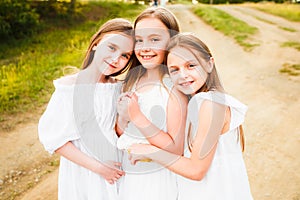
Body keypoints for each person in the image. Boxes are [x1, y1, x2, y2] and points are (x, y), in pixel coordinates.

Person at [128, 33, 253, 200]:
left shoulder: (211, 104)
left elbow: (196, 170)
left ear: (209, 64)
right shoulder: (197, 102)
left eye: (191, 65)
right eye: (175, 70)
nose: (183, 75)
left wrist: (150, 151)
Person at [38, 18, 135, 200]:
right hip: (85, 171)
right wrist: (99, 168)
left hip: (117, 167)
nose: (116, 59)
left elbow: (117, 131)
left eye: (125, 55)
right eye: (112, 47)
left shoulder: (118, 88)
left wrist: (124, 117)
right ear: (97, 43)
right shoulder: (70, 88)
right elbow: (55, 140)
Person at [115, 7, 188, 200]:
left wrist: (137, 117)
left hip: (157, 179)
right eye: (139, 40)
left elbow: (176, 149)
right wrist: (123, 119)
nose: (144, 48)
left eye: (154, 40)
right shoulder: (132, 82)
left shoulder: (173, 88)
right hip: (129, 176)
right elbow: (122, 133)